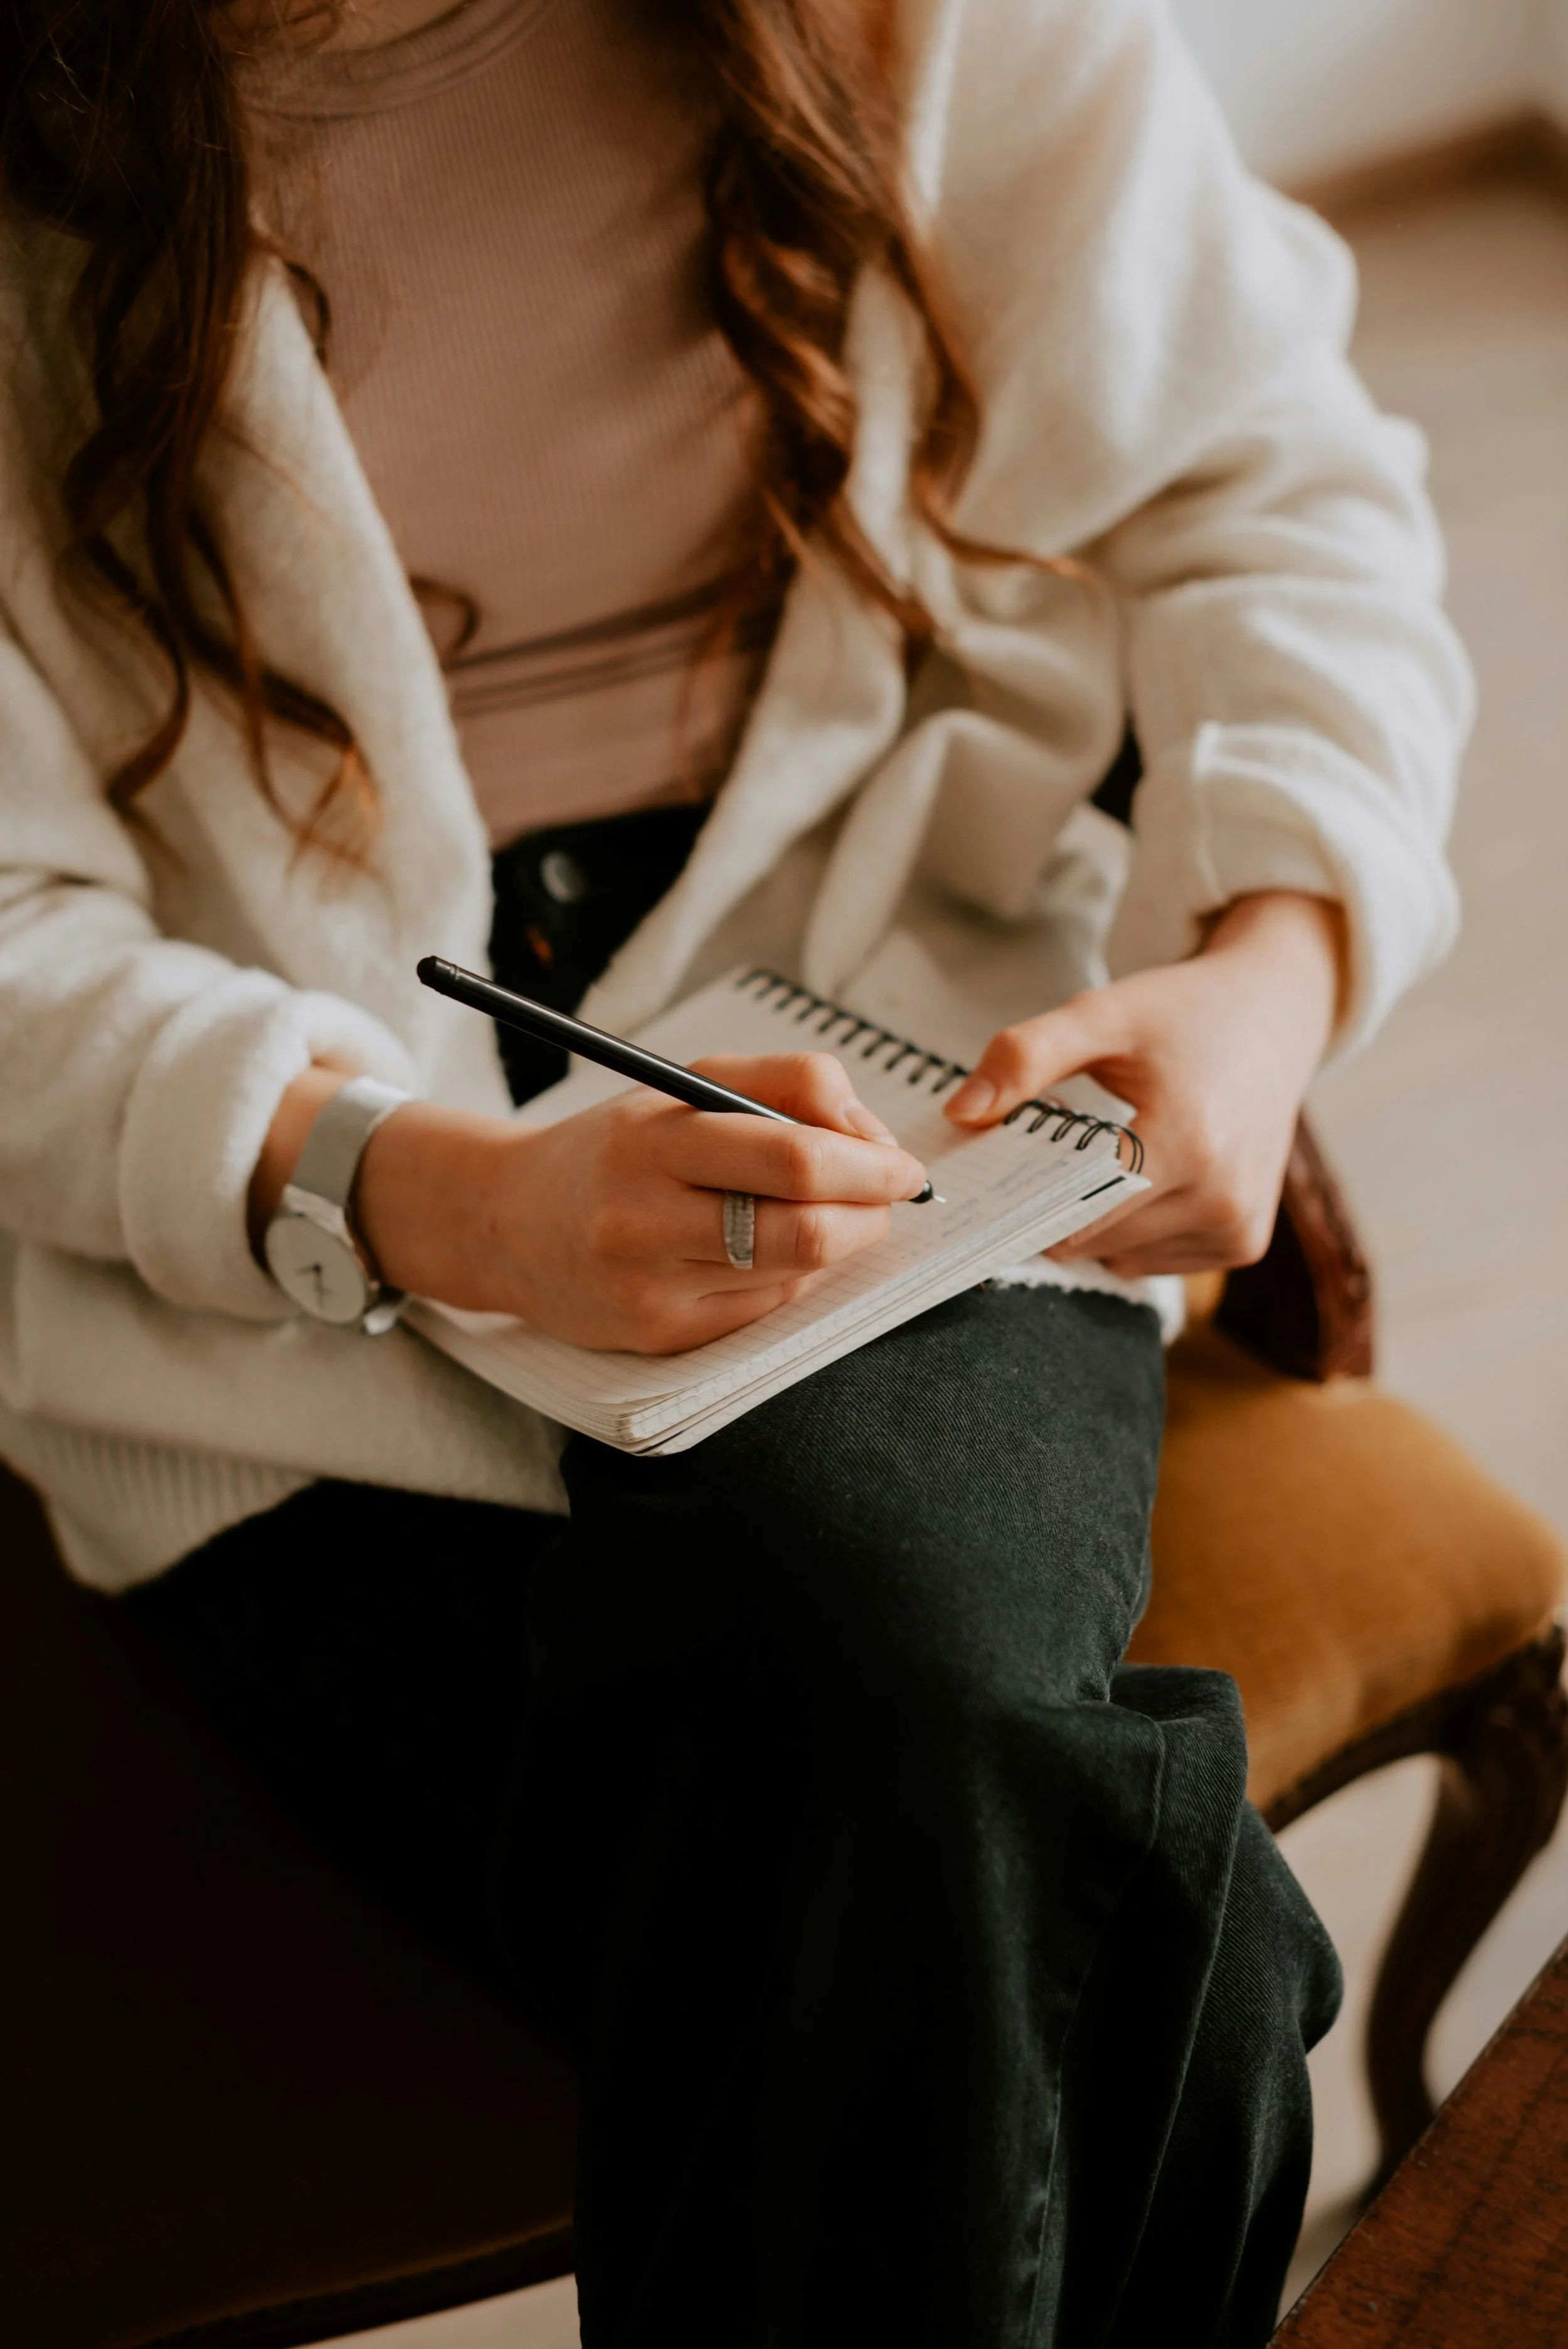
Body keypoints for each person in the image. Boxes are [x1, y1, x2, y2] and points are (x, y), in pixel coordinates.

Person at [0, 1, 1471, 2340]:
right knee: (1045, 1882)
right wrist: (432, 1194)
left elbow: (1262, 484)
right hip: (253, 1166)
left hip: (881, 1046)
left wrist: (1265, 970)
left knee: (890, 1734)